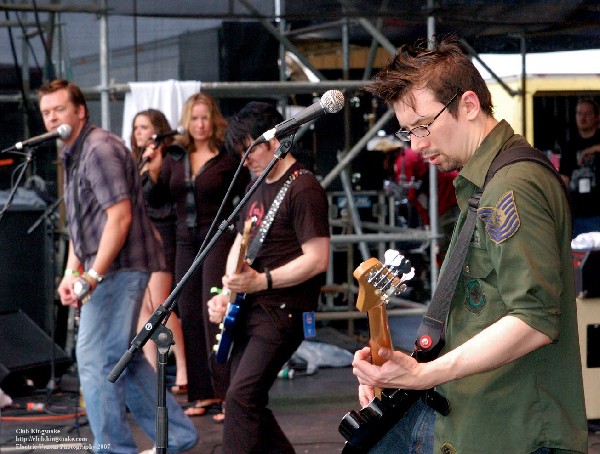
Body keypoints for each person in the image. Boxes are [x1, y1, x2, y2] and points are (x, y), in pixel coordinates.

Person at [351, 37, 588, 453]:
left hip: (516, 432)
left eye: (423, 126)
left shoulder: (511, 186)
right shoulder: (486, 183)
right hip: (477, 419)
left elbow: (535, 319)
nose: (417, 145)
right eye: (407, 132)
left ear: (469, 106)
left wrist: (425, 374)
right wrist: (402, 368)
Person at [37, 79, 197, 453]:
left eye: (59, 109)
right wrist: (71, 272)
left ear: (80, 110)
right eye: (46, 112)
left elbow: (119, 218)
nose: (51, 118)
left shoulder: (99, 149)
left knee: (96, 360)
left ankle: (113, 449)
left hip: (121, 267)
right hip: (107, 268)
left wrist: (92, 274)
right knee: (123, 358)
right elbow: (84, 223)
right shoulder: (74, 152)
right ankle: (177, 437)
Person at [207, 101, 330, 453]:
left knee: (241, 397)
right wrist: (227, 291)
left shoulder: (303, 188)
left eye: (248, 151)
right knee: (247, 401)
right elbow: (241, 245)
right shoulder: (257, 184)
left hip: (282, 311)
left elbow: (318, 259)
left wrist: (262, 282)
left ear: (272, 141)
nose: (244, 161)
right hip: (251, 307)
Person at [143, 93, 249, 419]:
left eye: (205, 118)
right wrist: (154, 171)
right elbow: (154, 199)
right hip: (183, 241)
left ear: (213, 120)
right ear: (186, 122)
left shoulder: (228, 157)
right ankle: (203, 394)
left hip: (217, 237)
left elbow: (247, 195)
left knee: (213, 312)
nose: (200, 125)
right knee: (187, 312)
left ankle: (227, 393)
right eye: (194, 118)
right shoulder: (175, 156)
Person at [130, 109, 188, 392]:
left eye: (144, 127)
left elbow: (161, 191)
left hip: (162, 235)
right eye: (136, 127)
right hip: (141, 239)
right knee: (143, 308)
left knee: (162, 305)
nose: (138, 132)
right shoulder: (137, 161)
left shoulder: (167, 159)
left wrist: (153, 160)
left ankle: (184, 370)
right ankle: (153, 372)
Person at [559, 98, 600, 237]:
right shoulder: (570, 146)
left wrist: (592, 150)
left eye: (587, 114)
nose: (583, 118)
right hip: (576, 215)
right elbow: (564, 179)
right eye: (579, 113)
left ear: (596, 117)